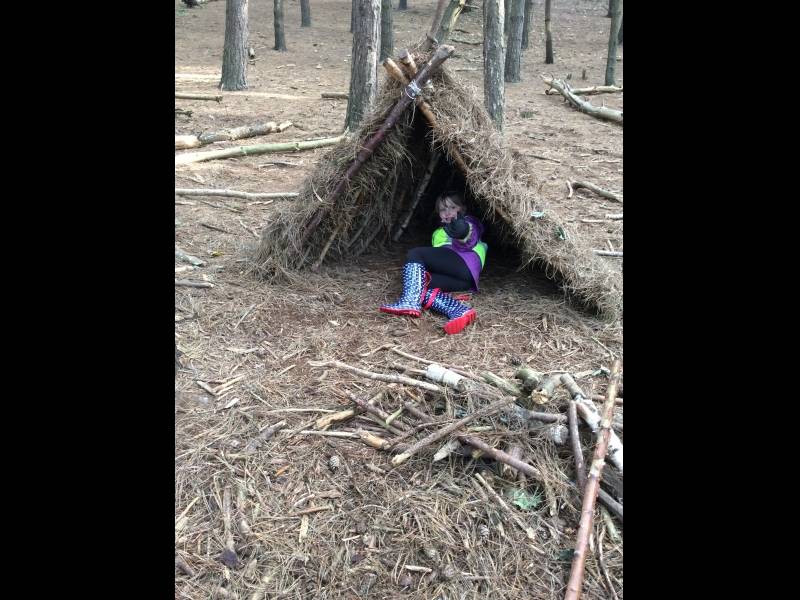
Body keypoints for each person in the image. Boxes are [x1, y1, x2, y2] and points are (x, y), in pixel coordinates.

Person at [380, 192, 488, 334]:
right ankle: (459, 310)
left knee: (415, 254)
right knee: (421, 284)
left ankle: (409, 301)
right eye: (443, 209)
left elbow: (469, 235)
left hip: (464, 263)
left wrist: (463, 230)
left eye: (453, 207)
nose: (448, 212)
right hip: (464, 281)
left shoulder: (469, 221)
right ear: (439, 214)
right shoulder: (439, 232)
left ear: (462, 209)